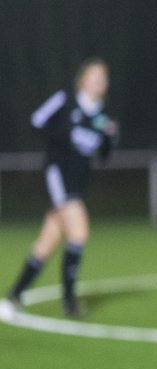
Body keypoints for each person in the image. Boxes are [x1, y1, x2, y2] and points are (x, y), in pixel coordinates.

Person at [5, 58, 118, 317]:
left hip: (78, 183)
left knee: (47, 241)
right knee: (79, 231)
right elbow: (37, 120)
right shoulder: (65, 100)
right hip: (57, 176)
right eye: (94, 75)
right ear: (82, 78)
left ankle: (15, 294)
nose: (99, 80)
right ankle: (69, 301)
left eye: (103, 77)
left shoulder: (102, 116)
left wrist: (110, 138)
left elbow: (103, 156)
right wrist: (64, 137)